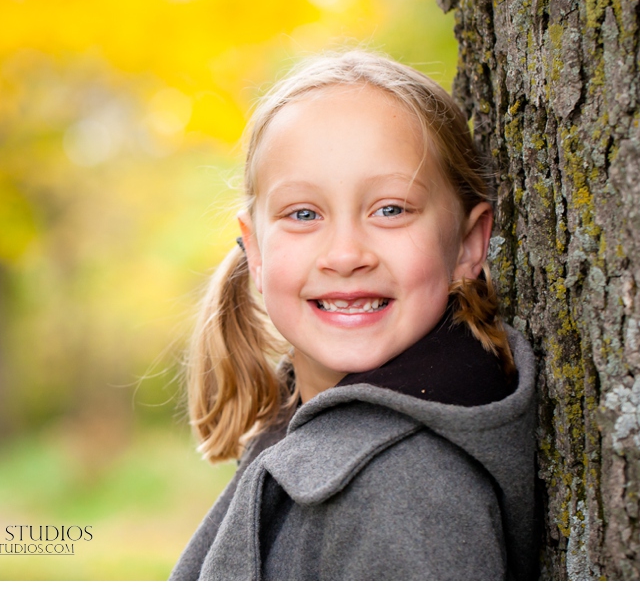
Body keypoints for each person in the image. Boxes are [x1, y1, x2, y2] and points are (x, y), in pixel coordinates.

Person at [170, 50, 537, 581]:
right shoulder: (306, 432)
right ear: (256, 251)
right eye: (303, 214)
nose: (345, 254)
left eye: (390, 209)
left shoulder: (407, 490)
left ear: (467, 244)